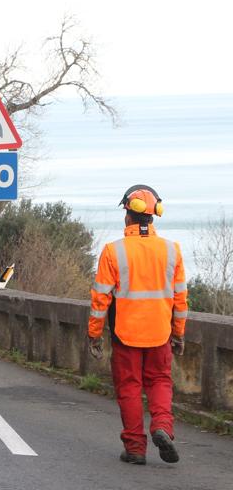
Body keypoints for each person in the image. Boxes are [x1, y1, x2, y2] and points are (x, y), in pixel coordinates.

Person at [88, 185, 187, 465]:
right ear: (153, 217)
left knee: (129, 387)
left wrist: (94, 334)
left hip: (126, 334)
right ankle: (162, 427)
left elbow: (100, 300)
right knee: (159, 382)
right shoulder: (172, 250)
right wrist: (178, 334)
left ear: (127, 215)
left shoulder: (112, 252)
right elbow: (180, 299)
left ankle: (134, 448)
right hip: (160, 333)